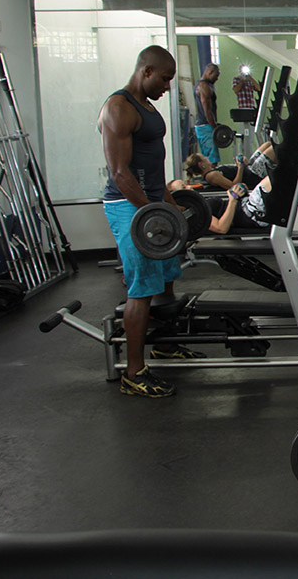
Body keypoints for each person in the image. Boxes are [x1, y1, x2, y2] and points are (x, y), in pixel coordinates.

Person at [99, 45, 202, 399]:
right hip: (129, 206)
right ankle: (134, 372)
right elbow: (119, 173)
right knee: (142, 287)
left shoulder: (146, 106)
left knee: (167, 277)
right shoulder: (119, 108)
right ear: (146, 71)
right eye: (165, 79)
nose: (168, 87)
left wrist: (171, 208)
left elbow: (154, 169)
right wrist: (154, 214)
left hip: (152, 203)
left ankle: (165, 345)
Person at [181, 141, 278, 191]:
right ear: (201, 164)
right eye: (204, 158)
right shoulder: (211, 176)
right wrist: (240, 168)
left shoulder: (213, 170)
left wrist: (241, 164)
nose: (206, 157)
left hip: (248, 169)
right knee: (275, 149)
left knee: (267, 144)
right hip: (253, 175)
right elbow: (234, 186)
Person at [193, 63, 222, 165]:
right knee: (212, 161)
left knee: (207, 159)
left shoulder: (200, 85)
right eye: (216, 75)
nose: (217, 78)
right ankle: (213, 175)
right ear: (210, 72)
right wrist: (214, 128)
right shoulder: (204, 87)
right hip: (206, 126)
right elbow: (207, 110)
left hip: (203, 126)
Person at [232, 66, 262, 154]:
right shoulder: (236, 79)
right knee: (243, 135)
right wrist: (242, 80)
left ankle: (250, 153)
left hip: (251, 110)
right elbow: (235, 89)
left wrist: (250, 78)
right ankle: (242, 154)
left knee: (251, 136)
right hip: (242, 111)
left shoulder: (250, 80)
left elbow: (259, 88)